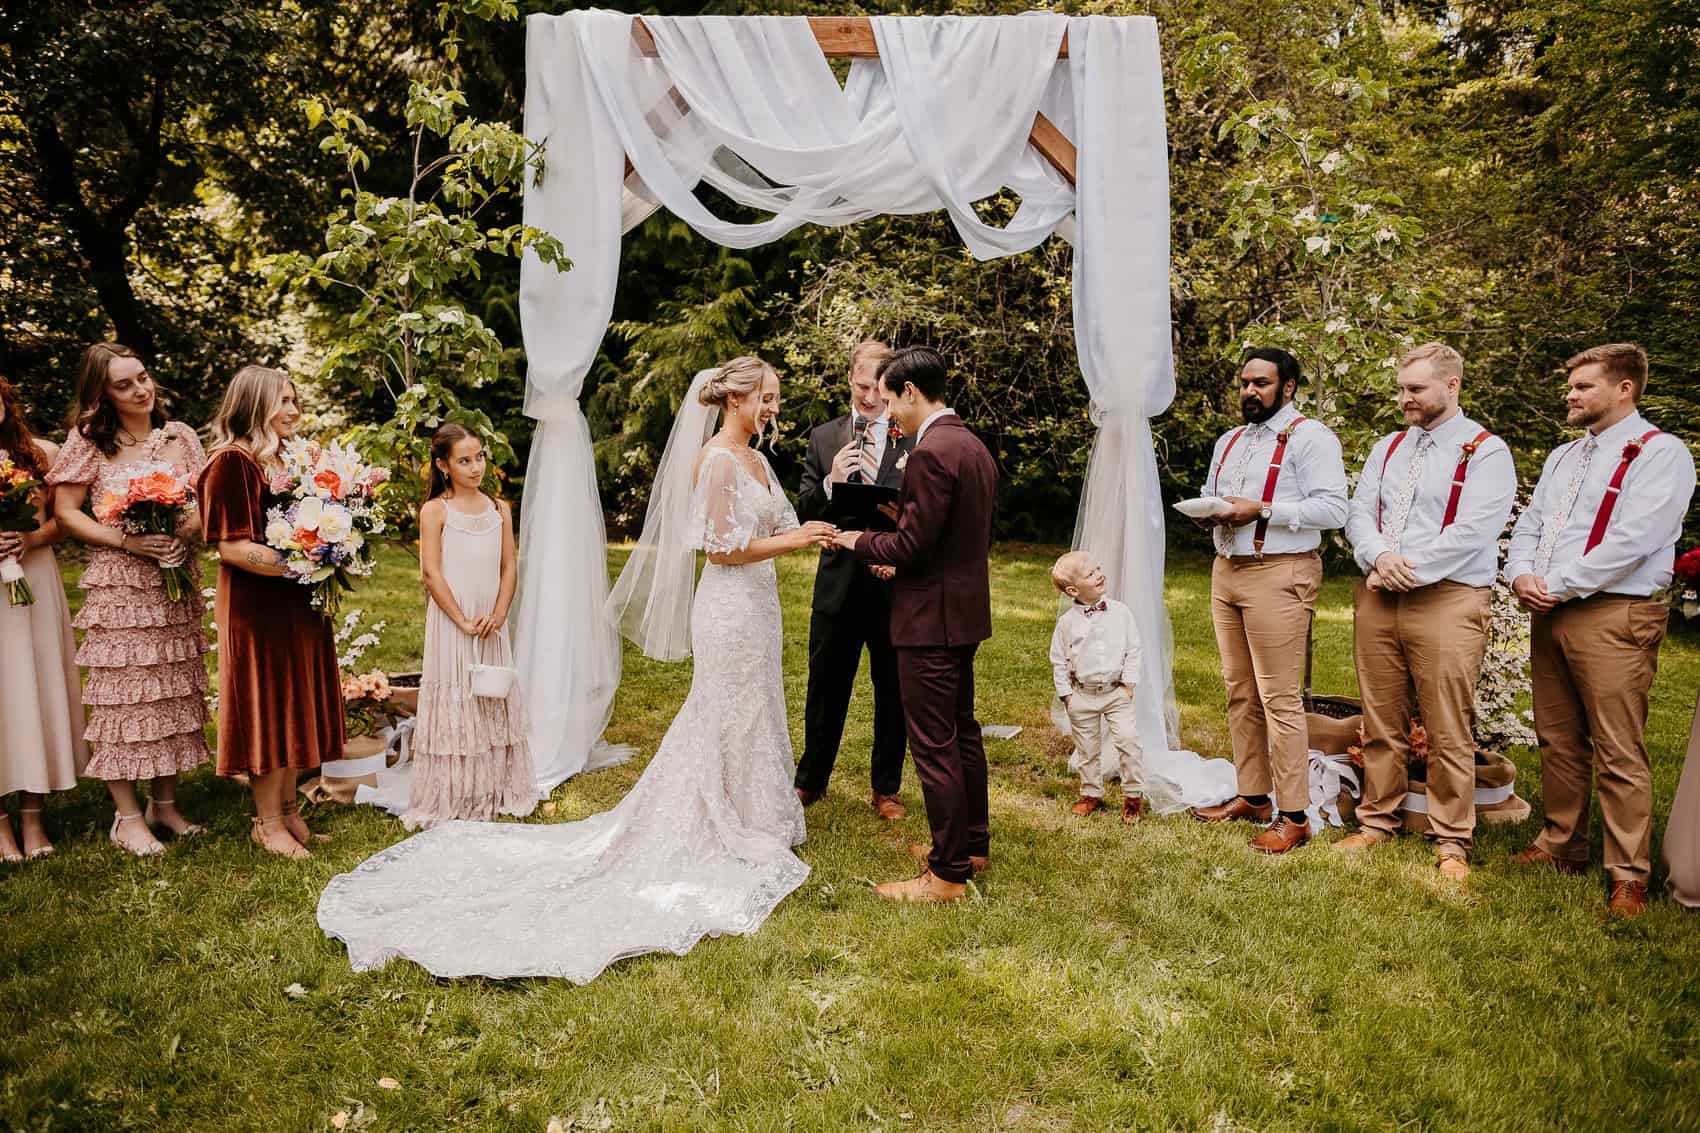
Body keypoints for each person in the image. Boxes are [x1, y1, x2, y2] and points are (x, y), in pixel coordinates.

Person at [317, 357, 838, 980]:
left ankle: (757, 810)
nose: (775, 407)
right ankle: (717, 815)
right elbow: (723, 550)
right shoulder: (720, 461)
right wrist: (798, 541)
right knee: (722, 708)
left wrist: (816, 509)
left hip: (760, 607)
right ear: (737, 400)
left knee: (754, 707)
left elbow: (779, 522)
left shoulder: (757, 460)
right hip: (728, 608)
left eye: (777, 397)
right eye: (768, 397)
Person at [1504, 343, 1695, 918]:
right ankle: (1563, 844)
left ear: (1624, 388)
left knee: (1618, 746)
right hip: (1549, 607)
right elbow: (1532, 522)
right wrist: (1521, 575)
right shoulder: (1565, 456)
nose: (1571, 394)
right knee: (1558, 739)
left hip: (1615, 613)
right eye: (1572, 386)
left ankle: (1628, 873)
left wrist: (1557, 581)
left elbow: (1634, 539)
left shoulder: (1662, 454)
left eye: (1583, 386)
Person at [1337, 343, 1516, 879]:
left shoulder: (1485, 450)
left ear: (1452, 385)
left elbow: (1476, 530)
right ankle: (1376, 820)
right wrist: (1379, 556)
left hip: (1447, 596)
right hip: (1378, 591)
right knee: (1381, 715)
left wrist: (1405, 566)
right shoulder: (1387, 447)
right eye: (1401, 388)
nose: (1405, 398)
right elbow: (1358, 513)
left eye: (1416, 389)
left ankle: (1452, 838)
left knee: (1446, 725)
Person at [834, 346, 998, 903]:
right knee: (963, 732)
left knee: (933, 743)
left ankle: (948, 872)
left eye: (889, 399)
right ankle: (972, 843)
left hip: (929, 618)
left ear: (908, 391)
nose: (886, 411)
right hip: (964, 612)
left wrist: (860, 540)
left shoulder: (930, 452)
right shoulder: (972, 445)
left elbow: (912, 543)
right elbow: (950, 534)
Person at [47, 343, 209, 857]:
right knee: (127, 696)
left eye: (142, 377)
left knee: (169, 693)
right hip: (121, 585)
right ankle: (128, 817)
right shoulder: (90, 441)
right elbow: (68, 512)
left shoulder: (180, 435)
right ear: (102, 394)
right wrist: (127, 540)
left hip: (174, 576)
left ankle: (165, 805)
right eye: (124, 384)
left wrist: (183, 531)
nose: (141, 389)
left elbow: (205, 498)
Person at [1189, 347, 1348, 854]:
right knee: (1239, 689)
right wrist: (1207, 512)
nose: (1250, 392)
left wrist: (1263, 510)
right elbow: (1215, 494)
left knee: (1279, 698)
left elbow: (1333, 508)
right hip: (1227, 571)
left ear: (1289, 387)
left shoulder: (1312, 438)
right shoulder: (1229, 440)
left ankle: (1295, 815)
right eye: (1244, 383)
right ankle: (1253, 795)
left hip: (1281, 572)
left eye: (1261, 383)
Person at [198, 365, 343, 859]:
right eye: (283, 401)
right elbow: (233, 548)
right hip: (257, 607)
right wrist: (303, 564)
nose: (294, 410)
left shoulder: (286, 460)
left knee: (292, 704)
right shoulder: (231, 462)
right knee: (266, 708)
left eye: (295, 400)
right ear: (254, 404)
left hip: (296, 601)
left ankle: (289, 811)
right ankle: (265, 823)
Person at [793, 340, 913, 819]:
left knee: (893, 688)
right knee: (826, 686)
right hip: (837, 584)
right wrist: (828, 483)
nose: (869, 398)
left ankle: (886, 788)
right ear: (850, 379)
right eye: (862, 386)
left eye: (878, 389)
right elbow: (802, 509)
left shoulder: (913, 438)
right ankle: (810, 780)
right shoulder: (824, 437)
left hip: (891, 584)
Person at [403, 423, 538, 829]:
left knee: (490, 696)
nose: (476, 467)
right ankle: (457, 791)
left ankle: (495, 786)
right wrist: (461, 619)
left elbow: (509, 566)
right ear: (444, 465)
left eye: (479, 457)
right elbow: (431, 573)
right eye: (464, 460)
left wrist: (499, 613)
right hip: (453, 619)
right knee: (458, 695)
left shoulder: (500, 509)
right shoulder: (436, 511)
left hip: (490, 620)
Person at [0, 375, 88, 861]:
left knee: (36, 687)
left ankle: (33, 816)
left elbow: (64, 519)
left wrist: (30, 539)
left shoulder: (42, 452)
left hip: (34, 582)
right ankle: (0, 825)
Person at [1049, 550, 1145, 823]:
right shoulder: (1066, 623)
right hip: (1082, 695)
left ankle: (1133, 796)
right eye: (1090, 574)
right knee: (1087, 748)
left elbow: (1134, 649)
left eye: (1098, 568)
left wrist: (1128, 684)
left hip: (1116, 693)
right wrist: (1067, 696)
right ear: (1072, 589)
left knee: (1128, 741)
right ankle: (1091, 792)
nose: (1099, 574)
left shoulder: (1121, 613)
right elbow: (1058, 660)